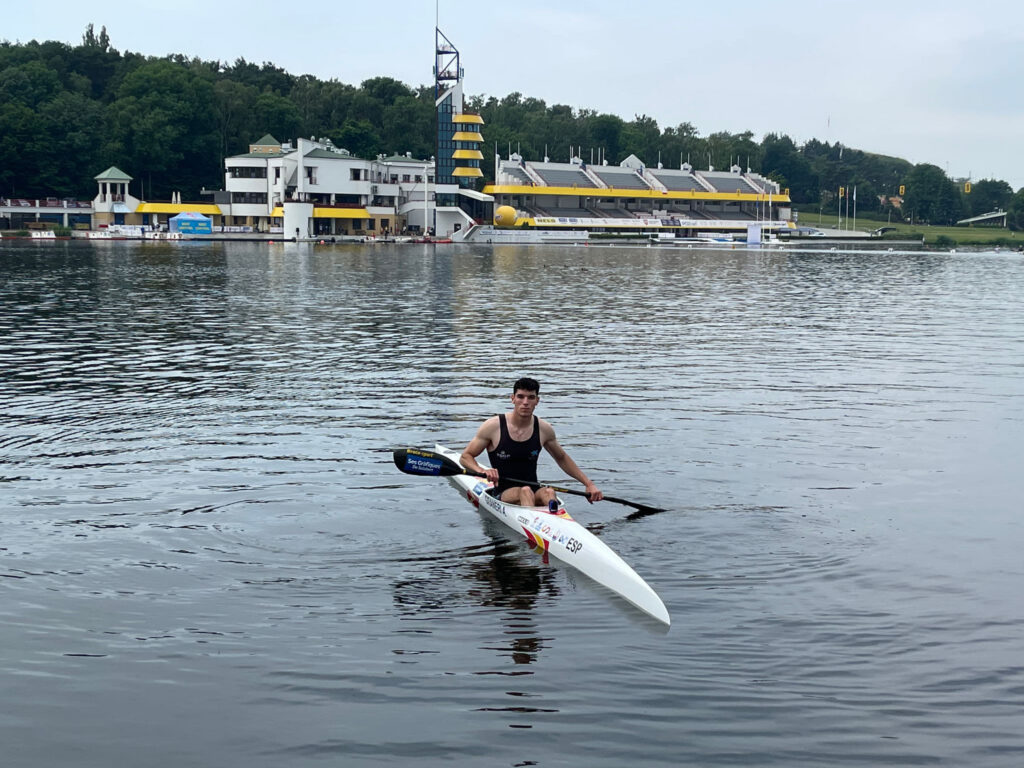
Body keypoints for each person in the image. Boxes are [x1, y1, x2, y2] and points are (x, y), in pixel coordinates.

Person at [460, 377, 603, 509]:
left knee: (548, 492)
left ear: (537, 401)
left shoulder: (544, 429)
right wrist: (482, 471)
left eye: (531, 397)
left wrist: (589, 484)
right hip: (502, 492)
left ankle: (554, 521)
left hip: (533, 488)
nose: (525, 402)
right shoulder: (493, 426)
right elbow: (466, 457)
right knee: (525, 491)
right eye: (520, 397)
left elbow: (562, 458)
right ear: (513, 399)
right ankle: (532, 532)